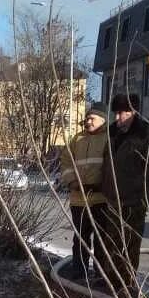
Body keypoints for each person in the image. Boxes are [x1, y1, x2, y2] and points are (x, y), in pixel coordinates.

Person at [101, 93, 149, 294]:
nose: (119, 117)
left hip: (134, 201)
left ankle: (127, 285)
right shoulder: (111, 133)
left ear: (134, 111)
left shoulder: (145, 133)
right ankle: (111, 283)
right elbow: (106, 163)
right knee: (112, 243)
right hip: (112, 200)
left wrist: (135, 184)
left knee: (129, 246)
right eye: (116, 113)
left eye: (123, 113)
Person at [59, 104, 109, 283]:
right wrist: (72, 181)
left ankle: (102, 274)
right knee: (80, 239)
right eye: (87, 118)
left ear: (102, 120)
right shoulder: (77, 140)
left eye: (92, 118)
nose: (88, 121)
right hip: (79, 200)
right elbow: (65, 162)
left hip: (101, 200)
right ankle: (79, 272)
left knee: (102, 240)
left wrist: (104, 184)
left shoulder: (109, 139)